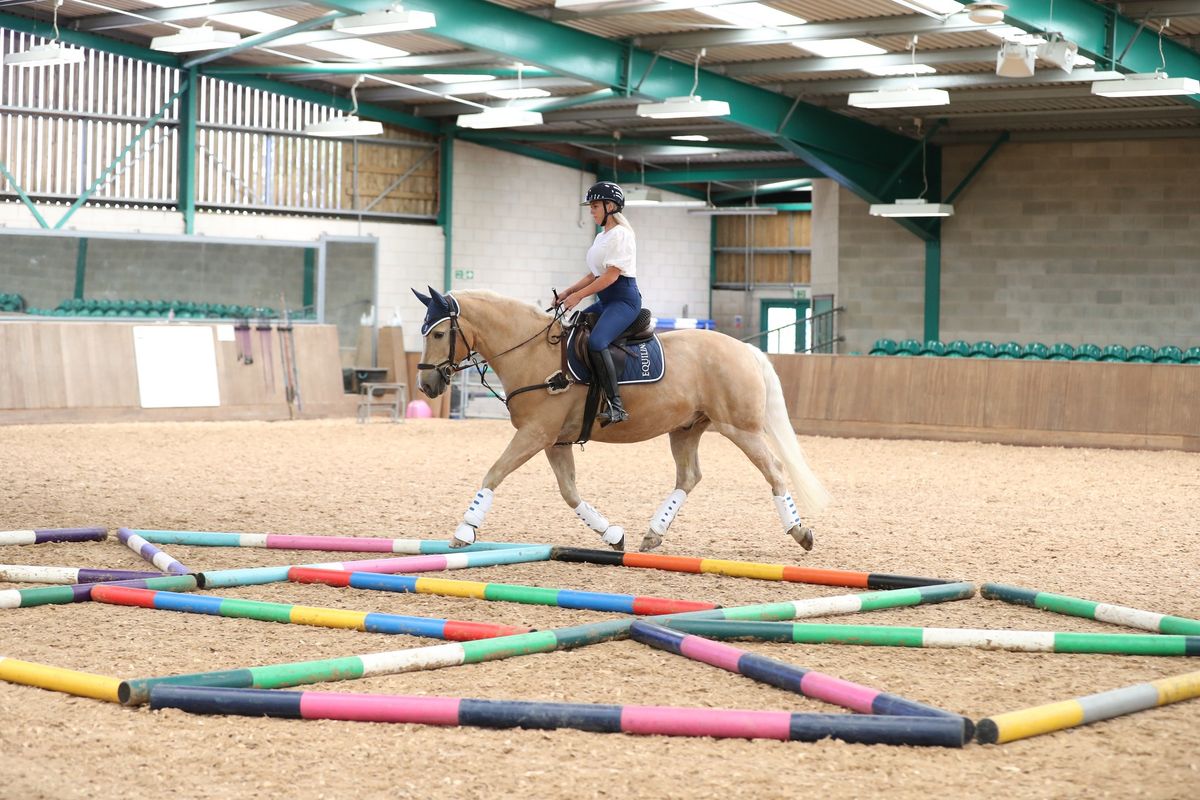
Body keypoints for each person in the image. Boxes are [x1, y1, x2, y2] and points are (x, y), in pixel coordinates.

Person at [558, 181, 641, 425]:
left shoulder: (622, 236)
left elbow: (611, 276)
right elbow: (593, 275)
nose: (591, 211)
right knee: (573, 328)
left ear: (610, 206)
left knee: (597, 341)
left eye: (595, 206)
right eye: (591, 206)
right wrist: (567, 292)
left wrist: (580, 296)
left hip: (623, 300)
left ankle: (616, 405)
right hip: (605, 299)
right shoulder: (601, 237)